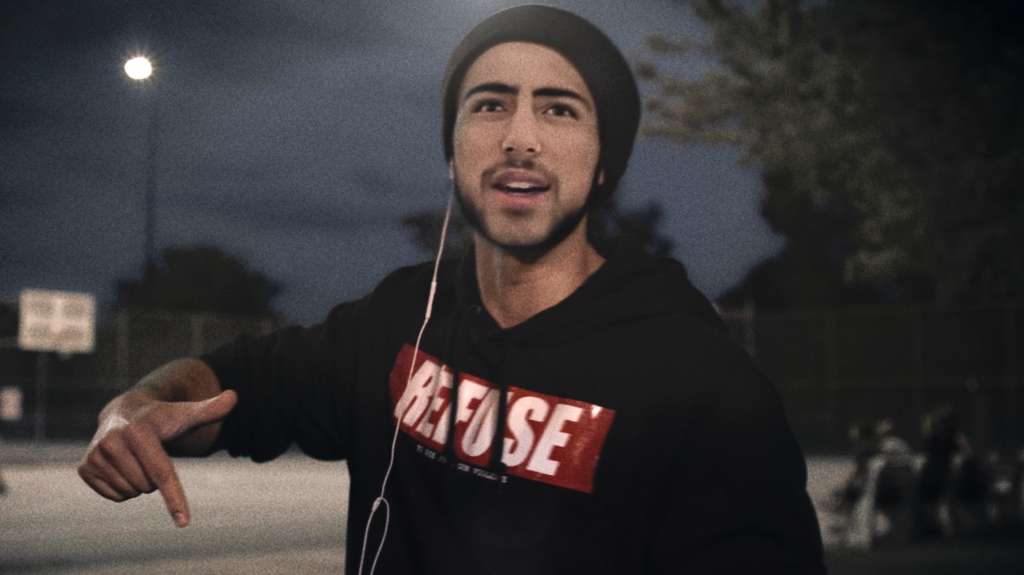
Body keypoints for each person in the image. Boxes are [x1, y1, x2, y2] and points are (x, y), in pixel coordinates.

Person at [78, 6, 826, 574]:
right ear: (453, 149)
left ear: (605, 163)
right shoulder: (399, 317)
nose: (520, 137)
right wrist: (136, 407)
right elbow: (226, 387)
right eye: (490, 103)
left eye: (559, 108)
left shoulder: (701, 380)